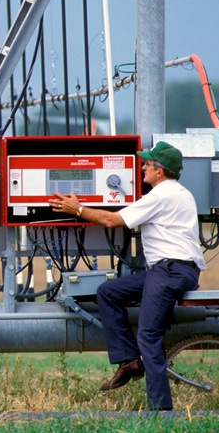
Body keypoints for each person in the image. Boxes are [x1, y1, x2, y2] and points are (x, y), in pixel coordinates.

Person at [48, 140, 205, 411]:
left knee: (148, 336)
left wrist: (79, 210)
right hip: (170, 270)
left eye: (147, 164)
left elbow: (112, 221)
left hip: (169, 271)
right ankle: (129, 361)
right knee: (108, 293)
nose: (142, 167)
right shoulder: (179, 193)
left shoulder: (161, 195)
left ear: (160, 171)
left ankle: (160, 410)